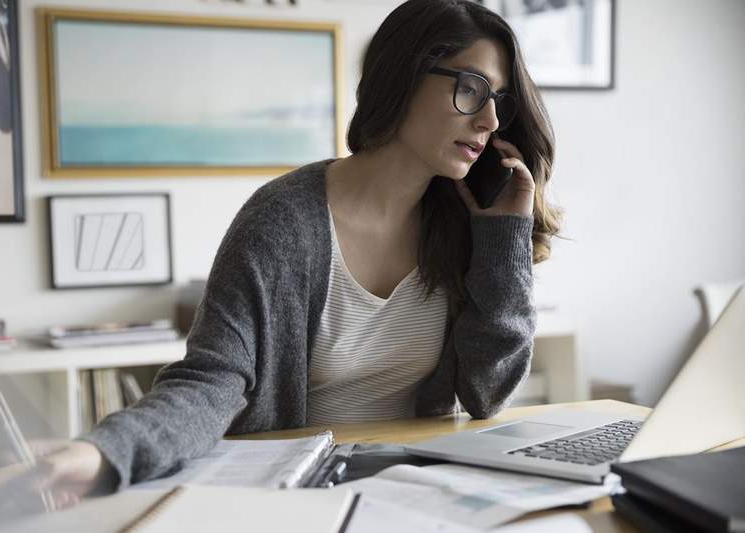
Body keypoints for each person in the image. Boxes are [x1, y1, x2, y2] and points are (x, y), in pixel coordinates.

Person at [31, 0, 561, 508]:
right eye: (471, 88)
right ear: (403, 74)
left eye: (500, 100)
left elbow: (487, 394)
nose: (490, 120)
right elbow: (211, 381)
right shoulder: (283, 221)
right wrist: (102, 452)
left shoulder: (463, 225)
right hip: (290, 501)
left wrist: (505, 235)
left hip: (413, 492)